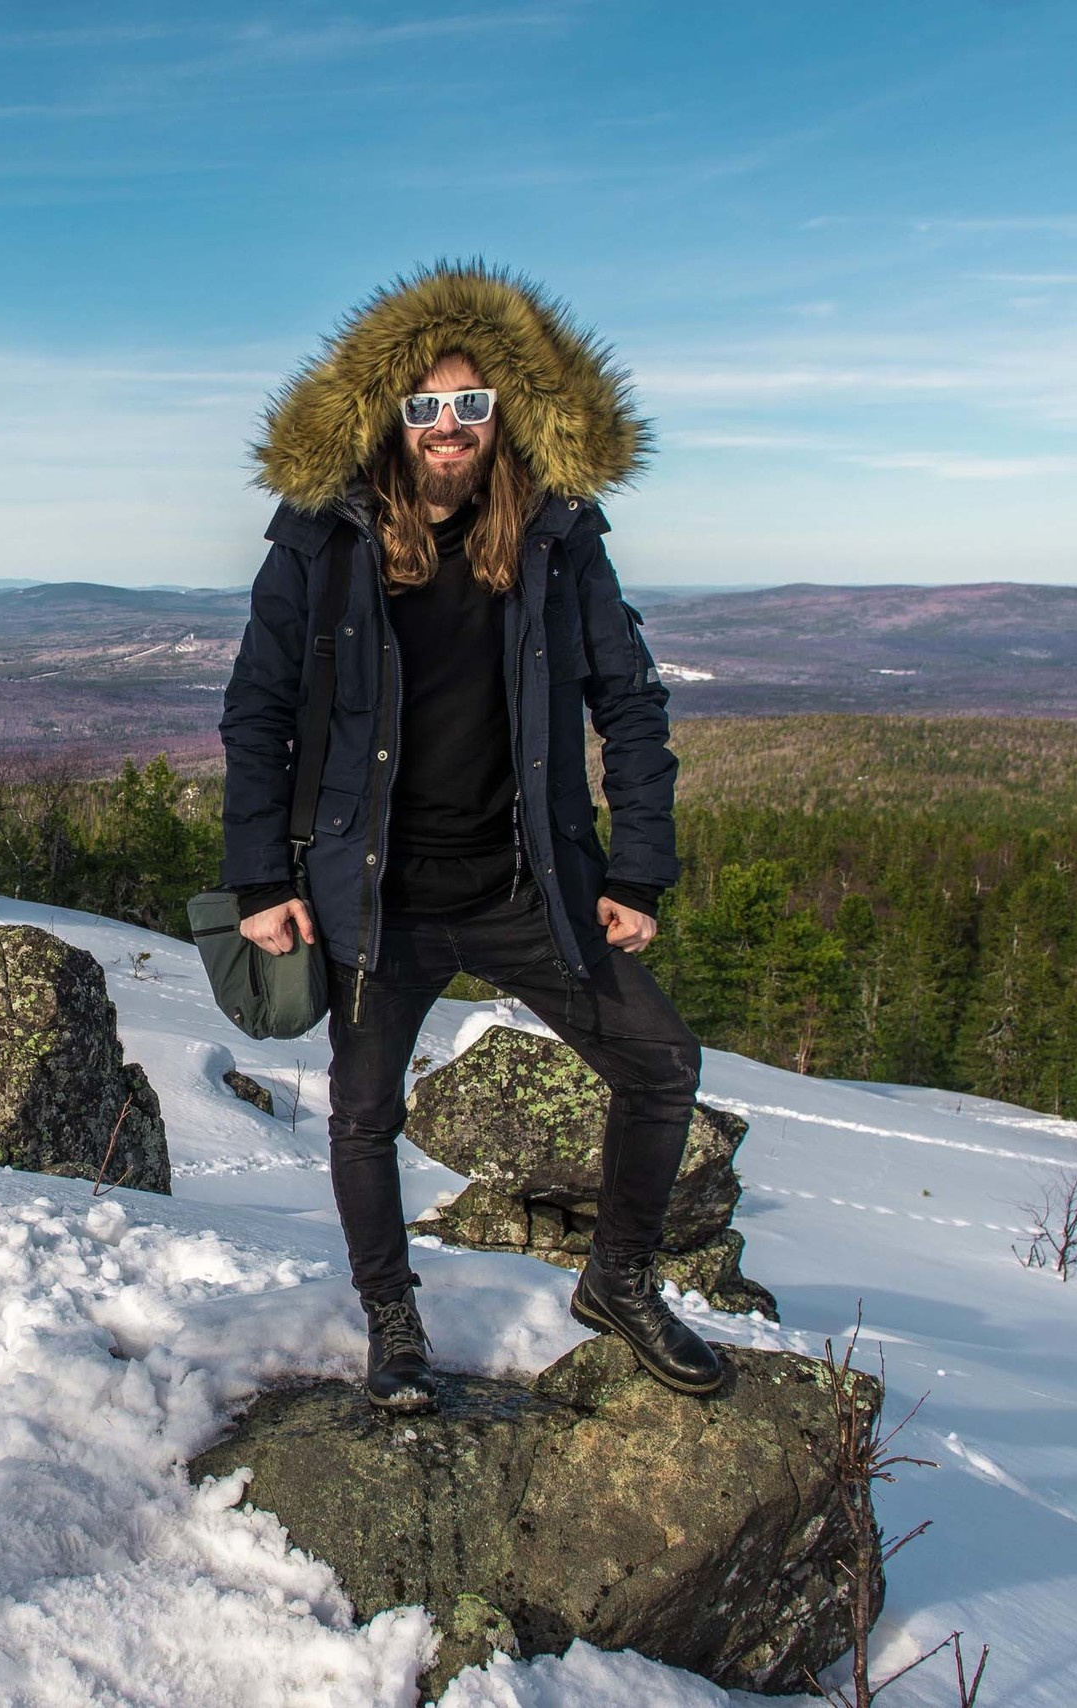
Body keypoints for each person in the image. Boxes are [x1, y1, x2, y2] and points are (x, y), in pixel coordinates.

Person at [220, 263, 717, 1411]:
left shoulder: (557, 537)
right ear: (385, 416)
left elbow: (630, 702)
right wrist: (258, 878)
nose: (448, 427)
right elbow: (257, 709)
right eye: (425, 406)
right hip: (374, 894)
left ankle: (619, 1281)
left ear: (510, 414)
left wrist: (638, 868)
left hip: (523, 885)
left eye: (471, 404)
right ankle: (392, 1320)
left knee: (660, 1063)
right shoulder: (320, 539)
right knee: (363, 1112)